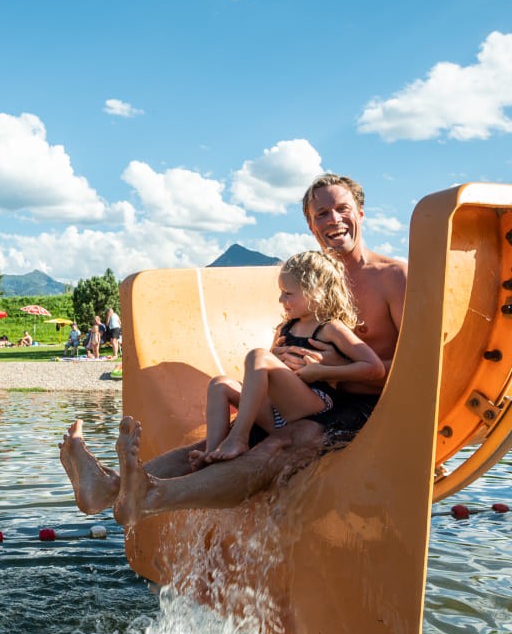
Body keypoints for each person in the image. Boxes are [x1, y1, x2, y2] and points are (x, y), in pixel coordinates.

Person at [59, 173, 407, 525]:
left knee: (282, 442)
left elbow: (423, 367)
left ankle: (152, 497)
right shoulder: (308, 282)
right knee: (213, 443)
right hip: (306, 395)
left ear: (361, 213)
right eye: (322, 213)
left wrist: (332, 366)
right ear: (310, 223)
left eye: (342, 209)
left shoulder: (394, 278)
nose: (333, 220)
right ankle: (106, 488)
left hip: (363, 407)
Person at [194, 250, 385, 468]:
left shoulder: (331, 328)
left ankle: (238, 437)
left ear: (315, 292)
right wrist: (274, 356)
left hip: (312, 404)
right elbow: (263, 374)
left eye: (288, 293)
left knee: (258, 356)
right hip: (278, 412)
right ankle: (211, 454)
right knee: (220, 384)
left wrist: (322, 372)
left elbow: (374, 368)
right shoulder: (286, 327)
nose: (280, 299)